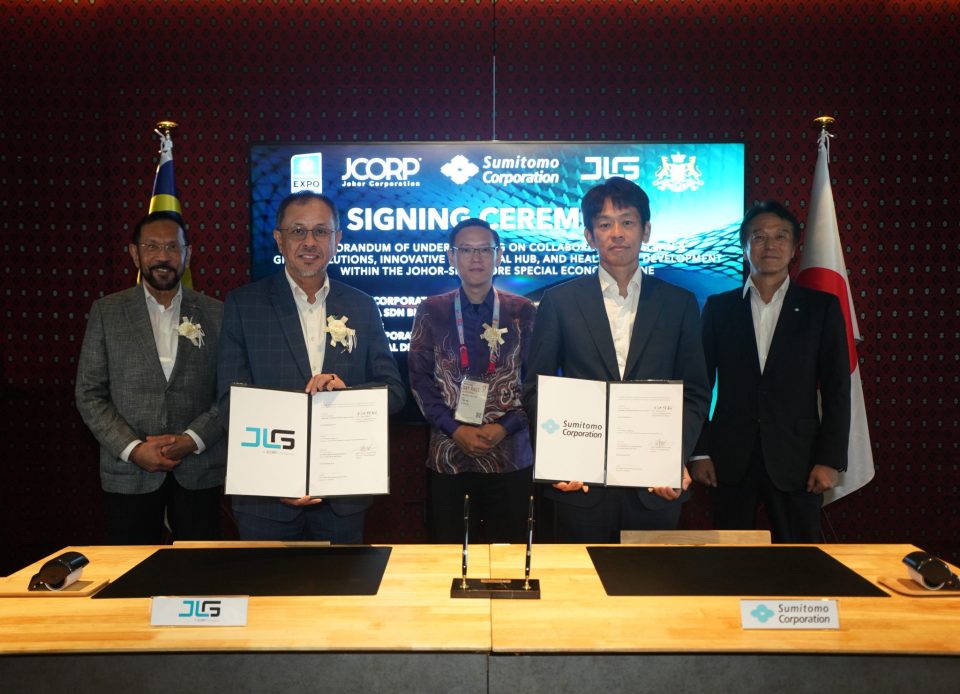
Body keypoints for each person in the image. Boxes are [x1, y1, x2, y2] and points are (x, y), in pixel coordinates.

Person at [524, 177, 711, 543]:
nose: (617, 233)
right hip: (580, 484)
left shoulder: (679, 303)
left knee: (650, 578)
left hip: (655, 485)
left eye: (627, 222)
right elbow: (535, 388)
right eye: (604, 224)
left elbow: (695, 391)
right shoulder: (559, 301)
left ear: (646, 230)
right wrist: (557, 456)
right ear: (589, 236)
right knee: (580, 579)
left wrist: (674, 456)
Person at [217, 190, 405, 543]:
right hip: (266, 500)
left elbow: (394, 392)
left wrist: (347, 394)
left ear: (337, 239)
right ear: (279, 239)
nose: (309, 241)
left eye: (321, 231)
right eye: (297, 231)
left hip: (341, 496)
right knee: (264, 582)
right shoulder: (244, 304)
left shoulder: (362, 306)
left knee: (342, 582)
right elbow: (231, 402)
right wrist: (279, 477)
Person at [689, 201, 851, 543]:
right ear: (744, 246)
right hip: (730, 459)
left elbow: (837, 388)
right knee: (730, 559)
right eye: (759, 237)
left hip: (800, 459)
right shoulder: (719, 308)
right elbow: (699, 384)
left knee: (798, 560)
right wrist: (699, 451)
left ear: (794, 248)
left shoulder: (821, 308)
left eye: (781, 236)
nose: (770, 245)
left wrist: (830, 460)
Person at [76, 211, 225, 544]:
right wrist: (133, 448)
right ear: (134, 253)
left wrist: (192, 439)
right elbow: (89, 393)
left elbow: (229, 392)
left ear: (188, 254)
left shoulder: (217, 313)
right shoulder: (107, 312)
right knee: (132, 569)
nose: (162, 256)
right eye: (152, 246)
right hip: (130, 472)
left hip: (199, 469)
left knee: (200, 568)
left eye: (172, 247)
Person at [409, 218, 537, 543]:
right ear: (452, 257)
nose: (476, 258)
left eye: (484, 250)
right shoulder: (432, 310)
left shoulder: (523, 311)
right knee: (449, 556)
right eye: (466, 250)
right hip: (449, 455)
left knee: (507, 556)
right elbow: (420, 381)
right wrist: (455, 429)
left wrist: (505, 426)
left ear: (499, 255)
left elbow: (537, 381)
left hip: (510, 455)